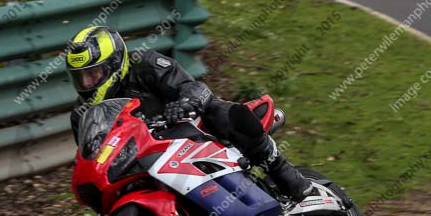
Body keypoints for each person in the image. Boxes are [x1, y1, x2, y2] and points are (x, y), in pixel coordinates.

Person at [66, 26, 313, 202]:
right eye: (81, 77)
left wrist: (187, 101)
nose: (88, 83)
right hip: (144, 159)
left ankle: (288, 177)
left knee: (222, 113)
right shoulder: (84, 115)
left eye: (93, 74)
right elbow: (93, 155)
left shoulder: (147, 65)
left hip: (188, 132)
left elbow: (192, 87)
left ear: (114, 64)